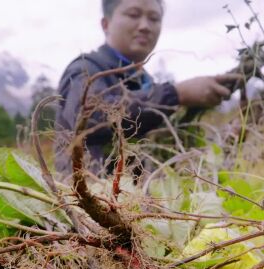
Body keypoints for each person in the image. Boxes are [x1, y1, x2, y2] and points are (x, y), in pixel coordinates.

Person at [54, 0, 239, 175]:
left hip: (138, 203)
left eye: (154, 18)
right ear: (106, 24)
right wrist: (176, 94)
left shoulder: (146, 82)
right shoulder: (85, 70)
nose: (145, 26)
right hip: (89, 199)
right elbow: (90, 117)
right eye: (134, 15)